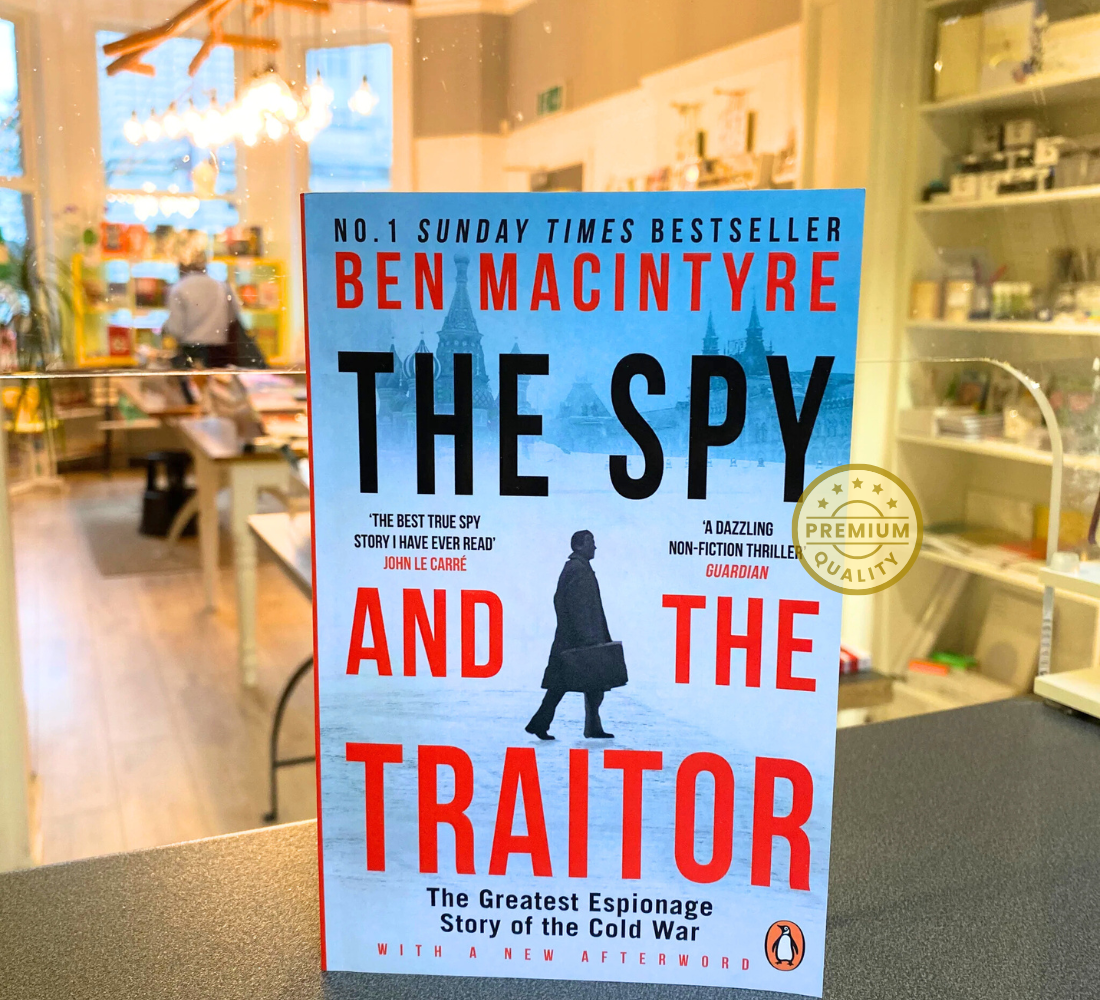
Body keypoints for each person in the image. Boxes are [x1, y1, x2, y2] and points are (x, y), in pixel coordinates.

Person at [525, 530, 615, 740]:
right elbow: (576, 606)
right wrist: (587, 636)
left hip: (575, 638)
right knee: (566, 685)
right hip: (578, 640)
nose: (594, 547)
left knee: (585, 685)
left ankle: (588, 727)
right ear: (579, 546)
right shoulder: (577, 569)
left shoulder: (579, 568)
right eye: (591, 542)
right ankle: (545, 724)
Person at [163, 252, 240, 369]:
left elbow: (176, 328)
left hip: (192, 348)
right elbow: (233, 316)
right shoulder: (221, 286)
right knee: (218, 380)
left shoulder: (179, 288)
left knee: (195, 380)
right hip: (220, 348)